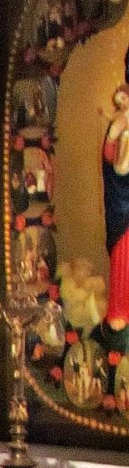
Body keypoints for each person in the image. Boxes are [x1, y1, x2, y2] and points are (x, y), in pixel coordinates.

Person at [101, 82, 129, 333]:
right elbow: (109, 157)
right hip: (123, 198)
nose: (123, 104)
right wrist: (114, 133)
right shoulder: (119, 122)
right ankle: (120, 308)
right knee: (124, 252)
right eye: (119, 101)